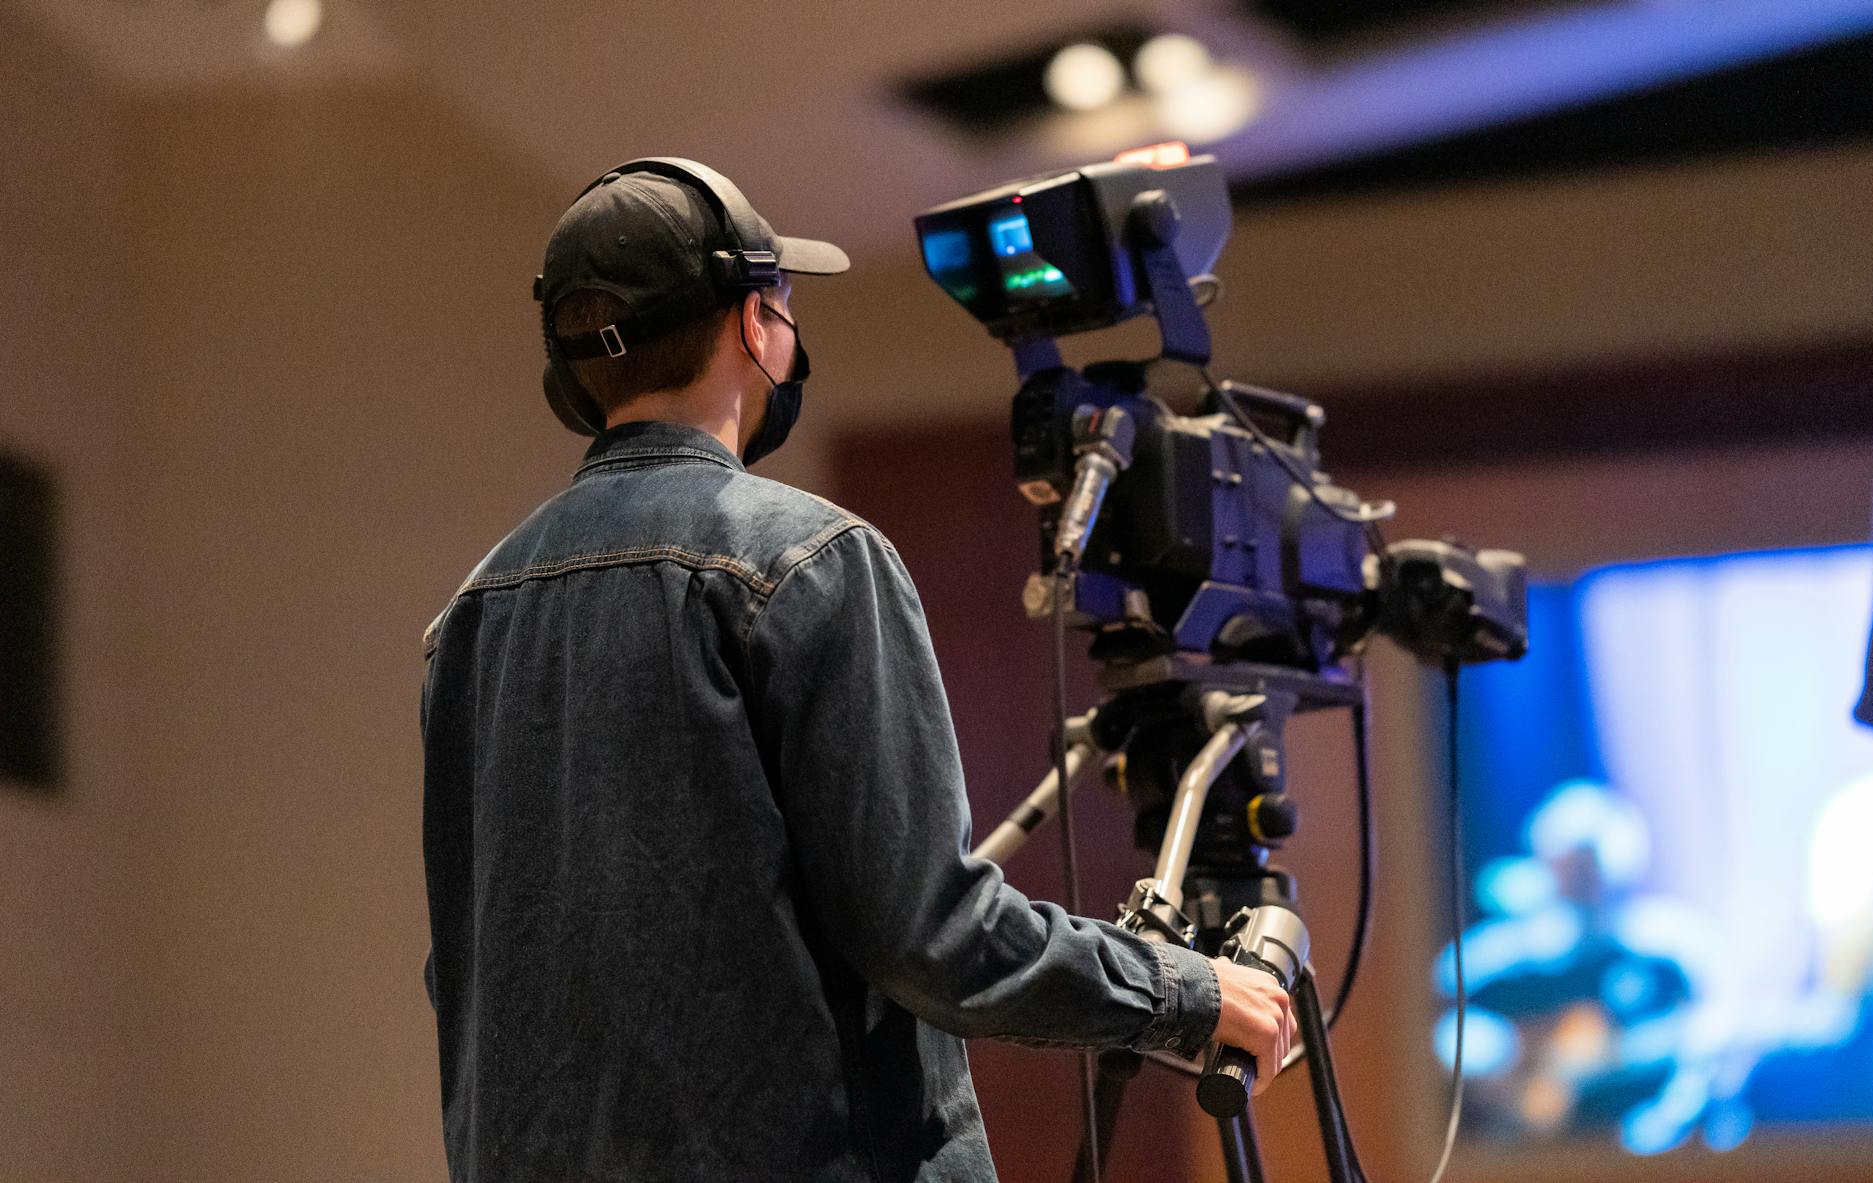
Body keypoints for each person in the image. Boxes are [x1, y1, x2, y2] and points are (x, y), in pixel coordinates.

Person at [419, 158, 1295, 1183]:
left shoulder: (468, 616)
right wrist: (1183, 993)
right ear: (755, 323)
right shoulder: (811, 560)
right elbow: (931, 933)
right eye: (784, 303)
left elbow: (468, 976)